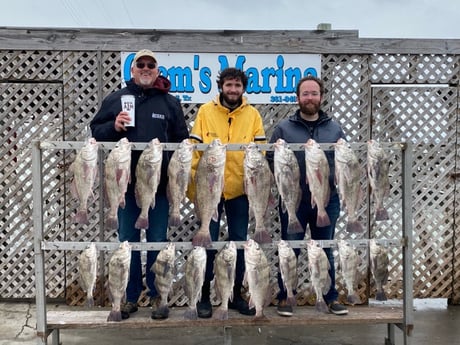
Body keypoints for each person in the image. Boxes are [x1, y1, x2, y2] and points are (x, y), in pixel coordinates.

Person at [90, 49, 189, 320]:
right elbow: (95, 131)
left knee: (158, 242)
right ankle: (128, 297)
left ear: (157, 70)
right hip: (125, 189)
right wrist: (115, 126)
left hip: (158, 188)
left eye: (151, 65)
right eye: (140, 64)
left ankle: (159, 296)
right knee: (127, 244)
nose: (146, 68)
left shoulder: (170, 102)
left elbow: (182, 139)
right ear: (132, 71)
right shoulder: (116, 98)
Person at [188, 67, 267, 318]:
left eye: (237, 86)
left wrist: (251, 181)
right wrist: (194, 185)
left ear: (244, 89)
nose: (233, 90)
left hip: (239, 191)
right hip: (209, 189)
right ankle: (203, 295)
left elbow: (260, 152)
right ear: (221, 86)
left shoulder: (253, 114)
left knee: (239, 241)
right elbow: (194, 149)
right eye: (229, 85)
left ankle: (235, 293)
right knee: (207, 242)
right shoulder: (205, 111)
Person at [267, 75, 349, 316]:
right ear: (298, 98)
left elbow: (344, 164)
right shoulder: (284, 128)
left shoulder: (334, 128)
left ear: (321, 97)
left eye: (314, 93)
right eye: (305, 94)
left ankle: (330, 296)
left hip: (326, 198)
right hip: (294, 199)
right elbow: (270, 160)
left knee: (325, 249)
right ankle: (285, 296)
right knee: (290, 249)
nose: (310, 98)